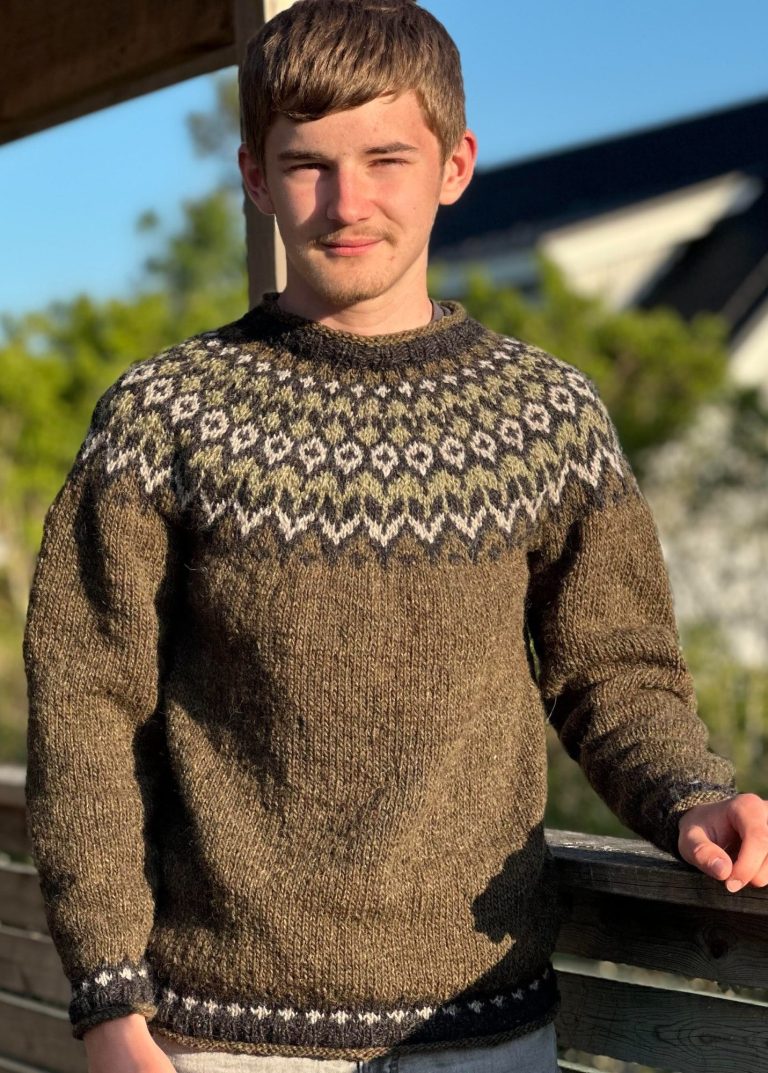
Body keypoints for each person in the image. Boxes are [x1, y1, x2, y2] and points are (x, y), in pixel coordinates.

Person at [22, 1, 768, 1071]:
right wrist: (106, 998)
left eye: (386, 158)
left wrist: (693, 796)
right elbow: (87, 707)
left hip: (488, 1026)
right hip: (218, 1037)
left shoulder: (544, 417)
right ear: (254, 176)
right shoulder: (163, 416)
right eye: (307, 164)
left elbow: (615, 673)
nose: (347, 201)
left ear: (454, 166)